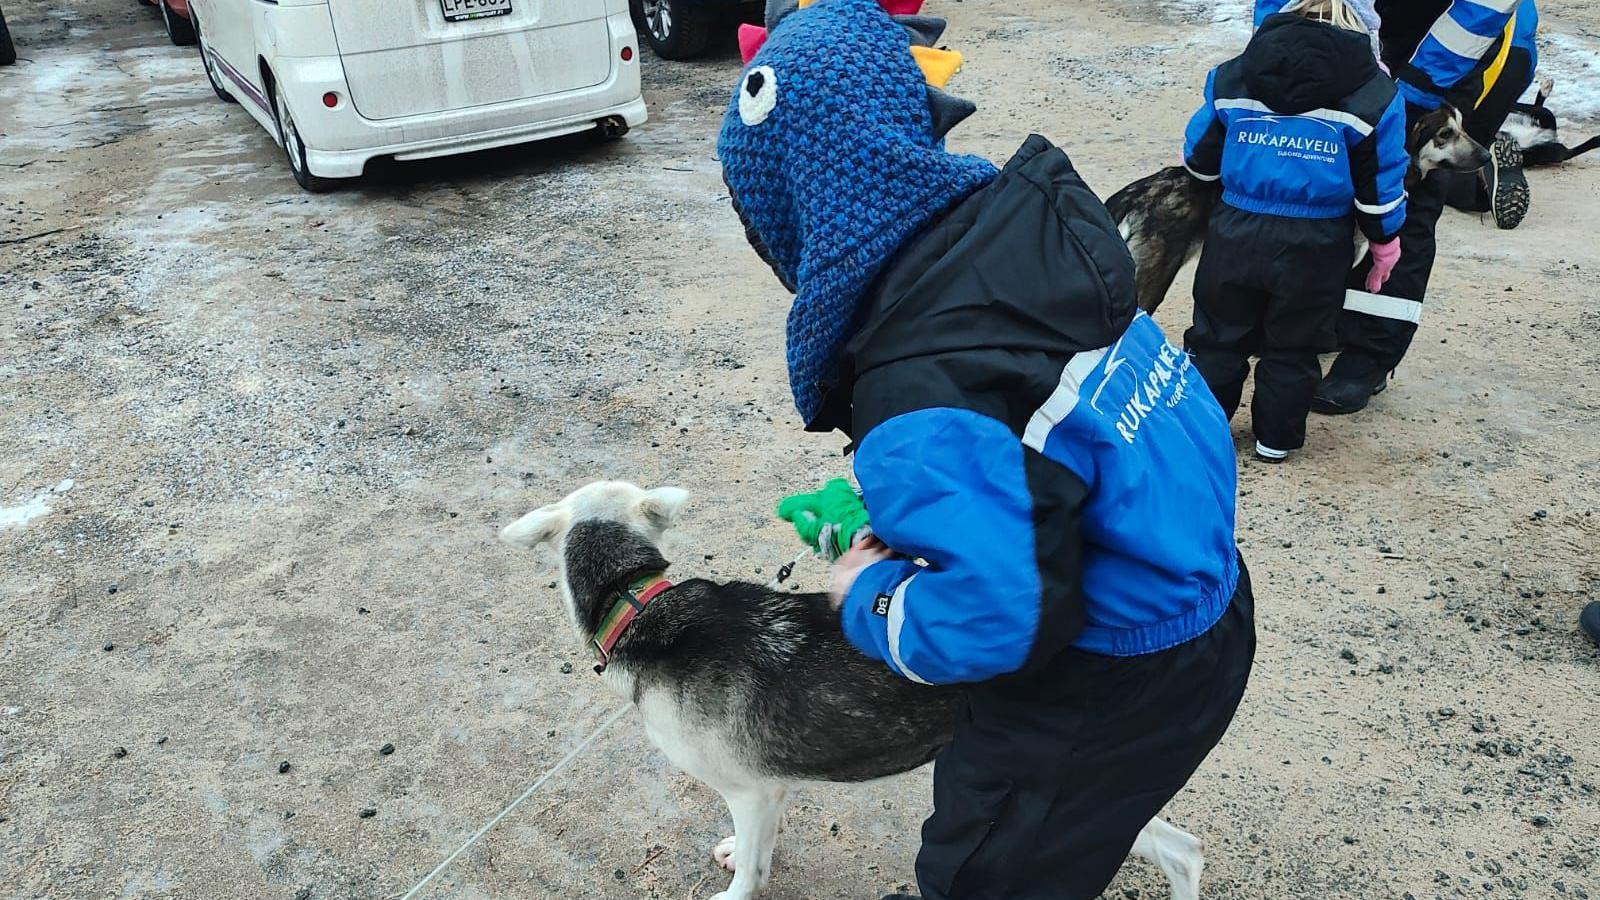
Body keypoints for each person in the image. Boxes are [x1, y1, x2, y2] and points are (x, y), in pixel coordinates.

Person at [719, 1, 1256, 897]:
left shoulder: (917, 397)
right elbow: (1059, 455)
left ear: (794, 216)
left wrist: (870, 594)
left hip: (1108, 675)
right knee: (1070, 830)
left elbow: (993, 620)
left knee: (988, 863)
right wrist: (937, 507)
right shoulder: (1034, 250)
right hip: (1206, 596)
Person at [1248, 0, 1538, 415]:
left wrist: (1409, 92)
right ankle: (1314, 319)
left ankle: (1370, 350)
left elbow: (1481, 10)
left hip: (1457, 44)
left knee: (1404, 190)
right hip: (1359, 30)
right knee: (1320, 174)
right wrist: (1282, 42)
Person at [1181, 0, 1408, 462]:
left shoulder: (1233, 75)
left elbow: (1200, 160)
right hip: (1317, 242)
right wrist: (1385, 241)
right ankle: (1275, 440)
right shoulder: (1376, 93)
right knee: (1295, 344)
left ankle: (1202, 432)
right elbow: (1380, 182)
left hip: (1236, 229)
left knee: (1216, 336)